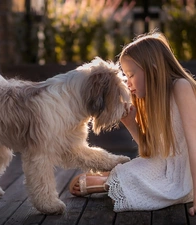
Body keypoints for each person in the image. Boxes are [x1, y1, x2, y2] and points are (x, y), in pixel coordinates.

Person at [69, 30, 196, 216]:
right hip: (165, 167)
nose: (127, 83)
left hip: (188, 176)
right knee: (142, 169)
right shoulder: (155, 100)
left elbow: (194, 143)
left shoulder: (181, 87)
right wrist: (130, 123)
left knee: (161, 185)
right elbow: (153, 152)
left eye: (131, 74)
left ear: (152, 69)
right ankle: (115, 179)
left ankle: (109, 181)